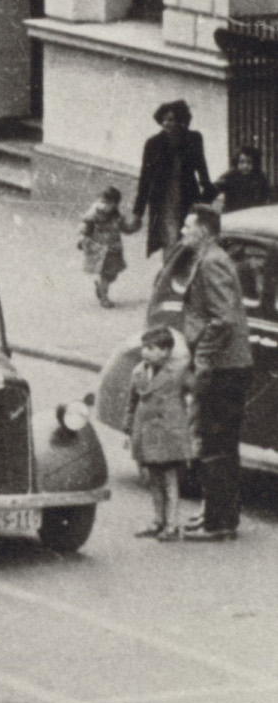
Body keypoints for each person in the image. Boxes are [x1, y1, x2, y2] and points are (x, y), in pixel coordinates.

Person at [174, 204, 252, 541]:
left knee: (217, 445)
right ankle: (214, 511)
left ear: (203, 231)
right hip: (226, 365)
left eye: (188, 227)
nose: (182, 232)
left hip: (224, 367)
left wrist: (203, 357)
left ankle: (219, 523)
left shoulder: (212, 262)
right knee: (214, 442)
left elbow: (223, 318)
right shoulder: (210, 258)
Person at [125, 325, 195, 540]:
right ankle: (158, 521)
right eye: (144, 347)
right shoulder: (138, 371)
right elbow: (132, 402)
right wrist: (127, 429)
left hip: (169, 434)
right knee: (153, 479)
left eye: (151, 348)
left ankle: (172, 525)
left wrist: (189, 420)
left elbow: (195, 391)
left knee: (169, 479)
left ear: (165, 351)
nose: (145, 352)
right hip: (147, 433)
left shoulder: (178, 371)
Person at [130, 101, 215, 260]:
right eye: (164, 119)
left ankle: (180, 278)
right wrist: (138, 212)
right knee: (169, 240)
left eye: (171, 119)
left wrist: (206, 196)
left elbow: (202, 168)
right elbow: (145, 179)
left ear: (181, 120)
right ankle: (168, 279)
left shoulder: (193, 139)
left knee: (188, 240)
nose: (166, 123)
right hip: (163, 202)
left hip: (187, 198)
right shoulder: (153, 144)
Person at [78, 185, 128, 308]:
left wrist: (133, 226)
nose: (104, 205)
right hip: (101, 249)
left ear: (115, 204)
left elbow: (125, 227)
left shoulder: (118, 217)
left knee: (112, 274)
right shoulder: (95, 214)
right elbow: (86, 228)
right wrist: (82, 238)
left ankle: (101, 287)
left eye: (108, 203)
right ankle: (104, 297)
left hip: (115, 249)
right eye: (102, 201)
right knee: (106, 274)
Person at [215, 147, 272, 215]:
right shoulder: (230, 177)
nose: (245, 166)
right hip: (232, 214)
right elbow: (215, 189)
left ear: (255, 164)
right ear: (236, 163)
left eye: (249, 162)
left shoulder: (260, 178)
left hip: (253, 215)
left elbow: (266, 196)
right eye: (241, 162)